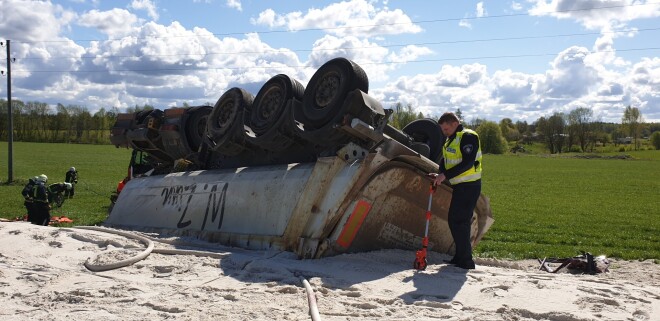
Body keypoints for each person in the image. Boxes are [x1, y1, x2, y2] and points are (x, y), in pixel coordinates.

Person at [431, 112, 482, 270]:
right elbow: (446, 160)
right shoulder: (451, 139)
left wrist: (444, 175)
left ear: (454, 123)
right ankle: (460, 257)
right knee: (455, 221)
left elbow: (467, 163)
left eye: (446, 128)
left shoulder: (467, 136)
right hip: (460, 186)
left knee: (460, 221)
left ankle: (466, 261)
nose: (444, 132)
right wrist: (440, 174)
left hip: (469, 186)